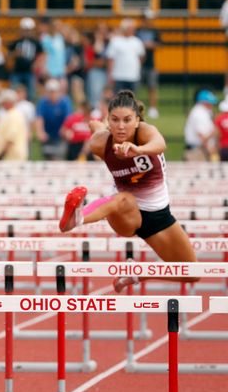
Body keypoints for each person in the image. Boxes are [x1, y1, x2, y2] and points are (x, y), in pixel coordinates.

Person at [58, 90, 198, 292]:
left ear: (137, 121)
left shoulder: (145, 132)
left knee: (192, 273)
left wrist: (138, 150)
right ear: (109, 120)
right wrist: (97, 126)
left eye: (127, 120)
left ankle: (135, 274)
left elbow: (161, 144)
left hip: (158, 216)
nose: (121, 126)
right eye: (114, 120)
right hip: (125, 216)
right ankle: (76, 218)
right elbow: (97, 129)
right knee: (123, 199)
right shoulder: (99, 143)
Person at [183, 89, 218, 161]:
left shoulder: (202, 112)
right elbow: (201, 135)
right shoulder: (199, 113)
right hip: (197, 152)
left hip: (199, 150)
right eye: (211, 103)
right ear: (204, 102)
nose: (212, 105)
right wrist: (210, 148)